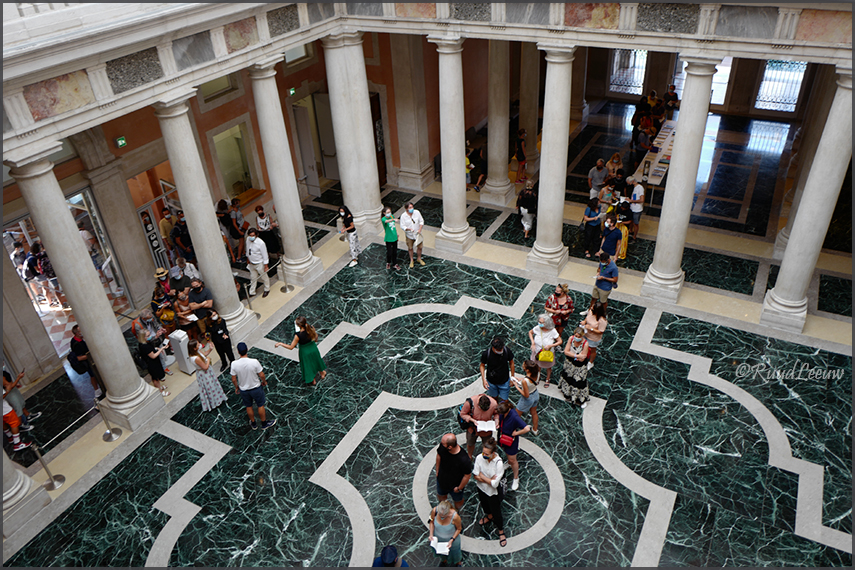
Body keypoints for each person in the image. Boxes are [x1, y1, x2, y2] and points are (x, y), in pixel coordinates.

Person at [230, 342, 276, 430]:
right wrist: (264, 381)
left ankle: (254, 424)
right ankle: (264, 423)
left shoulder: (234, 364)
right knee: (260, 405)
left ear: (238, 352)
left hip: (244, 389)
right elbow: (261, 375)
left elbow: (233, 379)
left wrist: (236, 387)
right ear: (247, 350)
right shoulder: (254, 362)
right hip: (256, 388)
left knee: (248, 406)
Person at [472, 436, 507, 547]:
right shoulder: (479, 458)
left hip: (493, 492)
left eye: (487, 454)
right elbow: (475, 475)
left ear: (493, 453)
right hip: (481, 488)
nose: (484, 455)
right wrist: (489, 480)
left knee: (496, 511)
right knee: (484, 505)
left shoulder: (498, 463)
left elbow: (495, 484)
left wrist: (483, 477)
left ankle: (501, 531)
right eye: (483, 452)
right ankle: (489, 515)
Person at [274, 316, 327, 386]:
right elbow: (316, 339)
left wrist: (281, 343)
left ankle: (313, 380)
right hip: (313, 349)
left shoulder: (298, 335)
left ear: (299, 325)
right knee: (316, 361)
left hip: (305, 352)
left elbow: (291, 347)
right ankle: (322, 373)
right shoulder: (310, 328)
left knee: (308, 365)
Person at [496, 400, 530, 491]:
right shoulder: (503, 406)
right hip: (502, 437)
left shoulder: (514, 417)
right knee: (508, 455)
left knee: (513, 459)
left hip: (510, 440)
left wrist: (516, 433)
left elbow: (527, 428)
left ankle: (516, 477)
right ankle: (509, 462)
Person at [435, 433, 472, 511]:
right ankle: (443, 507)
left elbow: (467, 475)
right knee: (441, 495)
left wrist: (459, 488)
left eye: (443, 444)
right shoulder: (443, 447)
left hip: (455, 486)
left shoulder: (464, 460)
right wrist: (437, 470)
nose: (441, 444)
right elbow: (439, 455)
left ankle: (456, 510)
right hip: (442, 481)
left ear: (450, 447)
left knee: (458, 500)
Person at [188, 339, 227, 412]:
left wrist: (210, 349)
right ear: (194, 348)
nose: (200, 344)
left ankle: (218, 398)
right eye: (198, 344)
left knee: (213, 385)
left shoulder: (196, 353)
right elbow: (205, 367)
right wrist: (208, 359)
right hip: (204, 374)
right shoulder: (196, 358)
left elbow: (204, 355)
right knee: (210, 387)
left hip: (207, 372)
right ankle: (215, 402)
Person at [459, 393, 498, 458]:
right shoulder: (470, 403)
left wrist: (496, 420)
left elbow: (496, 414)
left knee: (487, 445)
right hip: (473, 429)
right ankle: (470, 456)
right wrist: (472, 420)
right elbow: (463, 414)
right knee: (470, 443)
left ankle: (486, 457)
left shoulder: (494, 403)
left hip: (486, 431)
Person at [69, 325, 104, 397]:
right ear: (77, 333)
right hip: (88, 363)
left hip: (89, 361)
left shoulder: (78, 339)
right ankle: (97, 390)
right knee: (93, 375)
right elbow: (79, 358)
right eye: (81, 330)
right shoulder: (77, 344)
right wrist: (92, 355)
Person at [560, 327, 590, 407]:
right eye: (575, 335)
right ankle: (568, 393)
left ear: (582, 336)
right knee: (568, 377)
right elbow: (566, 352)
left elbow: (582, 358)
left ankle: (580, 399)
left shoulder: (585, 344)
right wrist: (577, 355)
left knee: (578, 381)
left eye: (578, 336)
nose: (576, 338)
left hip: (580, 366)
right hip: (569, 363)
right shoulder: (571, 339)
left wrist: (573, 355)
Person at [529, 313, 562, 387]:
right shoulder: (538, 328)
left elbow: (560, 341)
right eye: (539, 321)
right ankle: (538, 377)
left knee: (548, 367)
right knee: (537, 365)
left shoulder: (552, 331)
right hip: (537, 351)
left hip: (547, 353)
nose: (539, 323)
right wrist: (533, 342)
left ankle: (547, 379)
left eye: (541, 322)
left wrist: (551, 345)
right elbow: (530, 332)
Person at [428, 500, 463, 567]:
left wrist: (452, 539)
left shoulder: (455, 517)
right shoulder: (435, 510)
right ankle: (444, 561)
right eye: (440, 515)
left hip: (452, 541)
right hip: (439, 540)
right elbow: (431, 521)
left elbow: (459, 529)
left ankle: (457, 563)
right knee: (442, 554)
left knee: (455, 554)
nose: (441, 517)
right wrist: (431, 534)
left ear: (449, 512)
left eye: (444, 516)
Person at [479, 337, 515, 402]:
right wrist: (483, 379)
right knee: (494, 399)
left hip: (505, 381)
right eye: (498, 350)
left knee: (504, 400)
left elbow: (511, 363)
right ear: (493, 347)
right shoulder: (487, 354)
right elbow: (482, 365)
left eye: (501, 349)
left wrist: (512, 377)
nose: (500, 351)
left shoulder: (506, 351)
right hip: (491, 382)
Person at [137, 329, 169, 396]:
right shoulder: (145, 346)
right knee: (155, 378)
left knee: (156, 377)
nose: (150, 336)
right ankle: (160, 392)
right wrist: (162, 349)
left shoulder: (143, 343)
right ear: (143, 337)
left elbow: (151, 349)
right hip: (152, 364)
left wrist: (157, 349)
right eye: (148, 335)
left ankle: (159, 387)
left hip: (153, 363)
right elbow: (153, 356)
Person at [512, 359, 540, 435]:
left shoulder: (525, 381)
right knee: (534, 412)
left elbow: (526, 394)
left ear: (527, 370)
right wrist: (520, 379)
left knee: (516, 415)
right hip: (535, 394)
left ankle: (513, 430)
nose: (522, 366)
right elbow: (530, 379)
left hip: (527, 399)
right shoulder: (537, 372)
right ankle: (535, 429)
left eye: (524, 366)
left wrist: (517, 386)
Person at [580, 302, 608, 370]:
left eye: (593, 308)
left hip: (593, 338)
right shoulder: (591, 311)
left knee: (592, 350)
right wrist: (584, 321)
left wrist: (591, 328)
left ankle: (591, 362)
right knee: (583, 346)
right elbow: (587, 317)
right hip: (585, 333)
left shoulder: (602, 320)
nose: (591, 309)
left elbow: (601, 331)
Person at [245, 228, 270, 298]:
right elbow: (247, 249)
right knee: (253, 278)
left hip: (259, 263)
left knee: (264, 277)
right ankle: (252, 292)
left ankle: (267, 289)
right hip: (251, 263)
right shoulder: (248, 240)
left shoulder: (261, 243)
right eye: (250, 235)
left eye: (253, 235)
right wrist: (248, 258)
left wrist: (266, 266)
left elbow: (265, 255)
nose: (251, 237)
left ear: (256, 235)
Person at [399, 203, 424, 268]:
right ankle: (411, 260)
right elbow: (402, 226)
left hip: (417, 234)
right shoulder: (403, 216)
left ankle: (419, 258)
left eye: (412, 207)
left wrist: (420, 229)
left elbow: (421, 221)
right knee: (410, 248)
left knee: (420, 247)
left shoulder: (417, 212)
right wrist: (408, 229)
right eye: (410, 207)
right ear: (406, 208)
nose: (412, 209)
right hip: (409, 235)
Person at [627, 176, 644, 241]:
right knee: (631, 221)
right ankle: (630, 231)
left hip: (637, 209)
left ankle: (634, 236)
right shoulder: (634, 188)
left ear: (632, 181)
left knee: (635, 223)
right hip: (632, 207)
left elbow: (641, 200)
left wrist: (632, 201)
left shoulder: (640, 188)